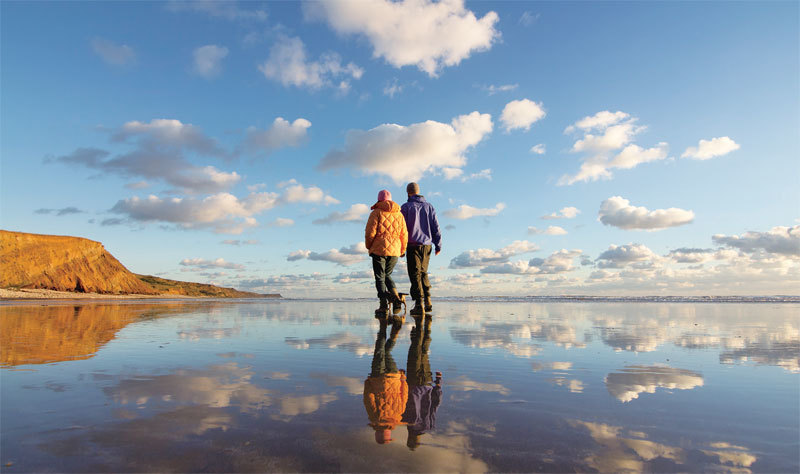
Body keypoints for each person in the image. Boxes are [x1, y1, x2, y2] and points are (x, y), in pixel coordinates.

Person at [363, 317, 408, 444]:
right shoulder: (375, 417)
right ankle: (383, 325)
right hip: (377, 378)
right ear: (377, 432)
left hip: (394, 377)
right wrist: (368, 383)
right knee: (379, 350)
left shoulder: (398, 416)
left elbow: (404, 395)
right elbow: (369, 398)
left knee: (386, 353)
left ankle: (394, 334)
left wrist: (403, 379)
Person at [402, 314, 442, 450]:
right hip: (414, 382)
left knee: (423, 352)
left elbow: (435, 405)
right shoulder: (406, 421)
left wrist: (438, 384)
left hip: (427, 382)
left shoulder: (429, 425)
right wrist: (401, 380)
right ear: (409, 438)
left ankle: (426, 326)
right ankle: (419, 323)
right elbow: (403, 400)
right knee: (415, 350)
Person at [365, 189, 408, 316]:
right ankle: (395, 297)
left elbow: (370, 232)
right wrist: (402, 249)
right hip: (394, 250)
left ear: (379, 199)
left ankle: (383, 306)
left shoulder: (376, 212)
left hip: (378, 248)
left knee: (380, 276)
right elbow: (404, 234)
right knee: (387, 275)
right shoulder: (399, 215)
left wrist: (369, 246)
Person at [400, 182, 442, 315]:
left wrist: (401, 248)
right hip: (427, 245)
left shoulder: (406, 207)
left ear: (408, 192)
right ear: (419, 191)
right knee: (423, 272)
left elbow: (401, 229)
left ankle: (419, 304)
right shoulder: (429, 207)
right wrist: (438, 244)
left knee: (415, 274)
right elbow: (436, 226)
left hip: (412, 245)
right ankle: (428, 301)